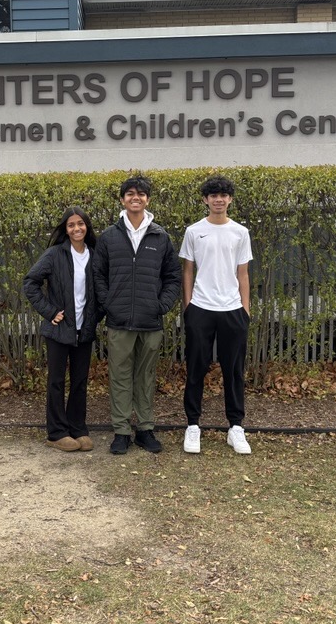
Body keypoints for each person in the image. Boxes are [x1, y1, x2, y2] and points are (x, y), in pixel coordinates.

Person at [93, 175, 181, 455]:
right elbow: (98, 275)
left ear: (148, 200)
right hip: (119, 321)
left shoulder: (160, 236)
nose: (136, 197)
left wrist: (161, 305)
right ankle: (121, 431)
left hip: (150, 321)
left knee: (145, 377)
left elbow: (172, 277)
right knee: (119, 376)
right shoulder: (108, 237)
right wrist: (110, 304)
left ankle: (145, 429)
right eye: (130, 193)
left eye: (141, 194)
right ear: (122, 199)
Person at [179, 175, 253, 455]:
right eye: (213, 195)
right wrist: (188, 306)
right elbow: (187, 269)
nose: (218, 199)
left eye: (223, 194)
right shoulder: (193, 231)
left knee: (233, 371)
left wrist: (245, 310)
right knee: (196, 368)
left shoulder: (240, 232)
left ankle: (235, 427)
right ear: (205, 200)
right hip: (201, 308)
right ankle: (193, 425)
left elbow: (243, 273)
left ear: (230, 199)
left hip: (233, 310)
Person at [23, 207, 102, 452]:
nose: (76, 228)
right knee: (56, 381)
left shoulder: (96, 255)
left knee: (80, 381)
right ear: (65, 229)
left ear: (86, 226)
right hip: (59, 330)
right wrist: (49, 312)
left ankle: (78, 428)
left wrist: (96, 316)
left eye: (80, 223)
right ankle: (56, 433)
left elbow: (103, 290)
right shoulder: (55, 254)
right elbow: (30, 282)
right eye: (71, 225)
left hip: (84, 329)